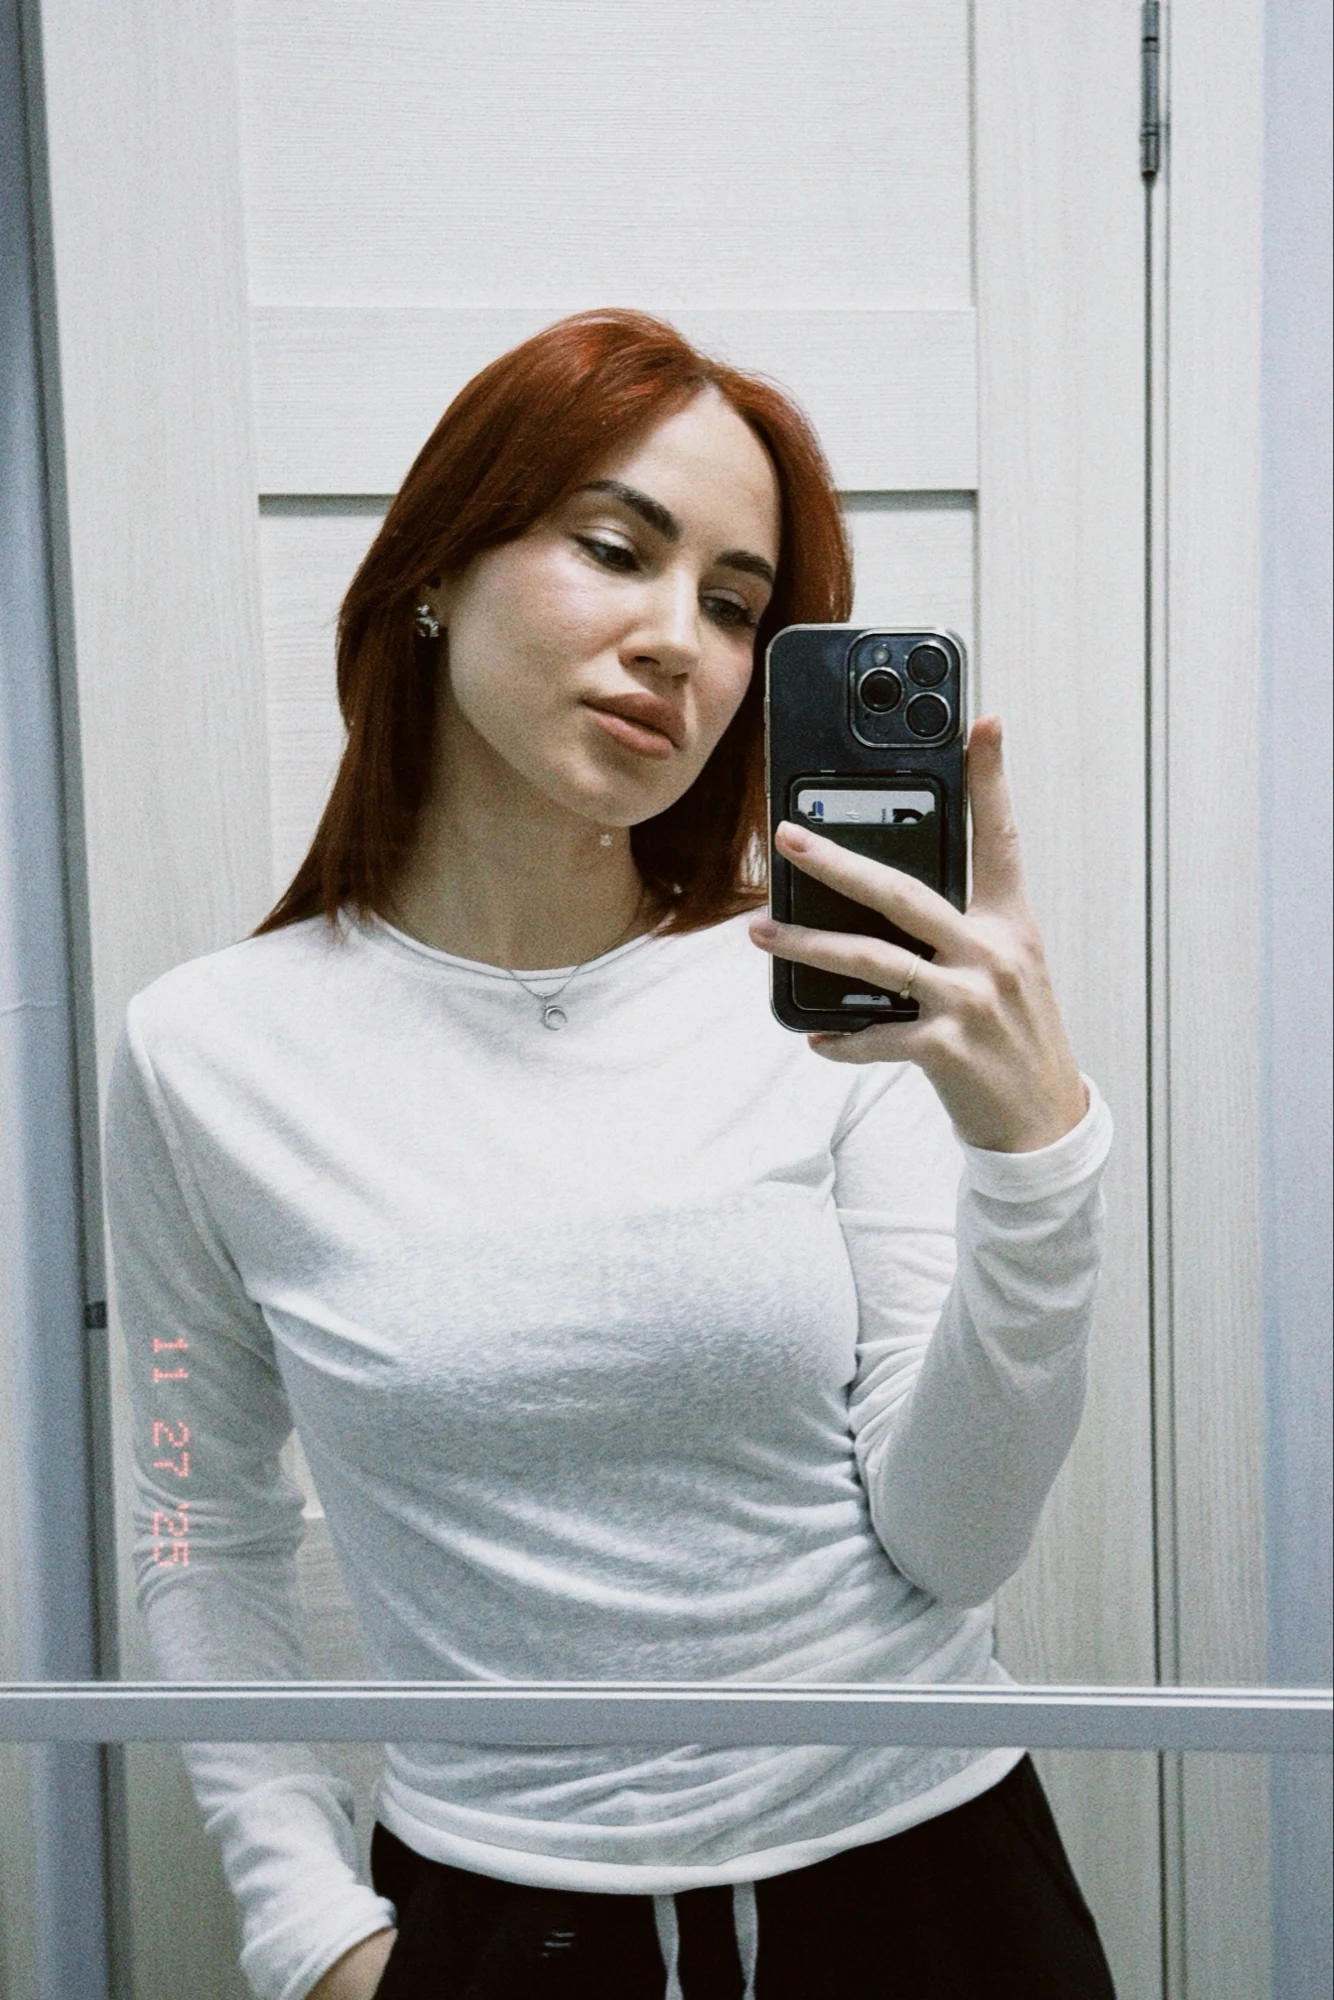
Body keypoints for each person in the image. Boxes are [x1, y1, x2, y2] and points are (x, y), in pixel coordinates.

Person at [104, 310, 1117, 2000]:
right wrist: (307, 1930)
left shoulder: (816, 1005)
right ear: (437, 568)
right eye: (614, 548)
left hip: (930, 1887)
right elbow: (192, 1517)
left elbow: (953, 1544)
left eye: (732, 605)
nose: (676, 643)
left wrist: (1034, 1163)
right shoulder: (205, 1056)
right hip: (499, 1919)